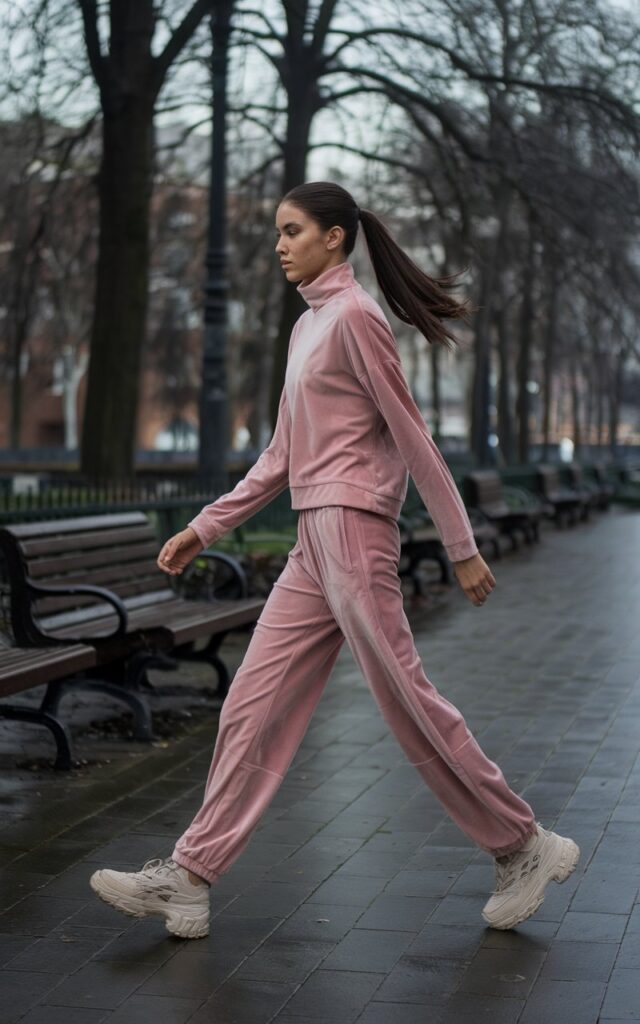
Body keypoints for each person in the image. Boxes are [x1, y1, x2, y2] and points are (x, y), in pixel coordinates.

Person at [90, 181, 580, 940]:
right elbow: (281, 454)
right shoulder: (307, 326)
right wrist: (204, 528)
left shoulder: (356, 317)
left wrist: (461, 546)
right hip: (311, 546)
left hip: (354, 532)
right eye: (277, 232)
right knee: (251, 703)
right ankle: (189, 878)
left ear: (334, 238)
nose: (279, 245)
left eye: (292, 231)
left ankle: (523, 844)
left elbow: (411, 433)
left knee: (409, 704)